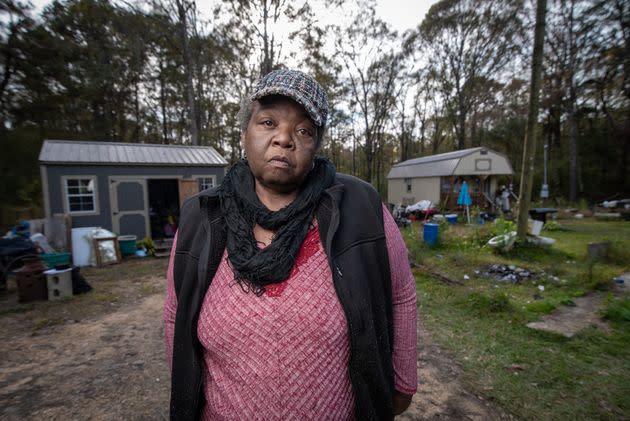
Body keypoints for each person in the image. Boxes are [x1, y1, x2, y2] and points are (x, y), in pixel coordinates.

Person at [164, 69, 417, 420]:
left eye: (303, 130)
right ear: (244, 134)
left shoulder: (361, 207)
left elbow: (401, 294)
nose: (284, 138)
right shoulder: (201, 217)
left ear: (315, 146)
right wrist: (184, 386)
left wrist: (402, 383)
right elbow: (176, 314)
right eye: (268, 122)